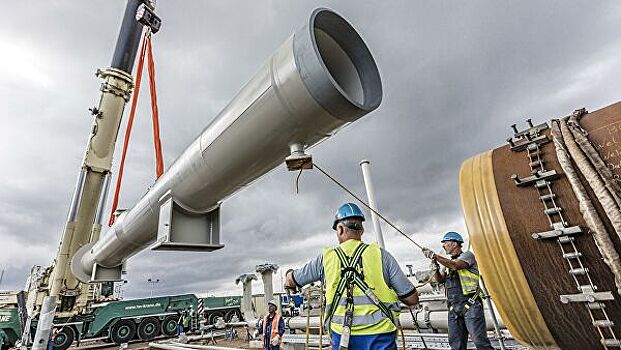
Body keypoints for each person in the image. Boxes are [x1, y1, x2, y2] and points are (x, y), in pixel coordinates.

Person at [285, 203, 419, 350]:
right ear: (361, 230)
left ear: (340, 229)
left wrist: (288, 275)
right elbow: (412, 299)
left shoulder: (325, 259)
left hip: (342, 337)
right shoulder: (382, 256)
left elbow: (292, 280)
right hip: (380, 337)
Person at [422, 231, 494, 350]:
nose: (443, 246)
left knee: (480, 342)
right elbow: (440, 280)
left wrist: (435, 256)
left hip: (470, 305)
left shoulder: (467, 256)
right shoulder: (447, 263)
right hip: (453, 308)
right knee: (456, 345)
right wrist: (435, 266)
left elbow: (456, 266)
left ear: (455, 243)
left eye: (445, 243)